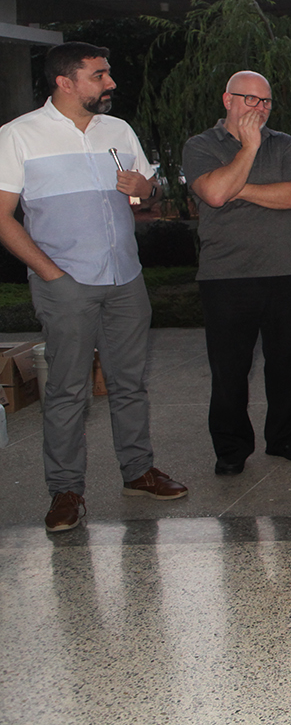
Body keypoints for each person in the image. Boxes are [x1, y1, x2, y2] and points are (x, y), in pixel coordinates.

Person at [0, 42, 188, 532]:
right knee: (66, 392)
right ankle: (65, 491)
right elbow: (2, 219)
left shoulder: (118, 130)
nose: (111, 83)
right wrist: (51, 275)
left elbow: (152, 193)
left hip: (126, 278)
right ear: (66, 81)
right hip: (65, 285)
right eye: (100, 75)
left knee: (130, 384)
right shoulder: (19, 136)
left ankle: (138, 471)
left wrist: (146, 190)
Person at [182, 71, 291, 476]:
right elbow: (214, 194)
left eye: (266, 102)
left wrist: (237, 188)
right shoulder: (201, 146)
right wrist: (248, 150)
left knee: (287, 364)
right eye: (250, 100)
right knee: (229, 370)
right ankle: (231, 446)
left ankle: (283, 436)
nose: (259, 109)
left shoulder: (285, 143)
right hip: (226, 276)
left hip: (286, 271)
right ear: (228, 99)